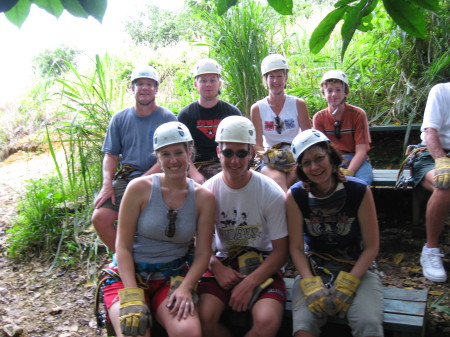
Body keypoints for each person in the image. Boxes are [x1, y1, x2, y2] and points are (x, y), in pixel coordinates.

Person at [102, 122, 216, 337]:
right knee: (134, 330)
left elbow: (203, 253)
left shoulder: (204, 198)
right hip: (129, 276)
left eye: (179, 153)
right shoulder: (139, 189)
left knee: (188, 332)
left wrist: (185, 288)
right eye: (165, 154)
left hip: (170, 277)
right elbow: (123, 247)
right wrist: (131, 292)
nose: (173, 160)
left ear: (189, 153)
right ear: (158, 157)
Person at [197, 116, 289, 337]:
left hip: (263, 264)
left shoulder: (269, 192)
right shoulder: (209, 191)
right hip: (224, 262)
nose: (235, 161)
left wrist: (250, 283)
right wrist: (216, 267)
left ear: (251, 154)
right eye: (228, 153)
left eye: (241, 153)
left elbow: (281, 251)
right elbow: (201, 246)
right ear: (219, 152)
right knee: (204, 319)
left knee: (267, 321)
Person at [286, 129, 383, 337]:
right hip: (315, 267)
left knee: (369, 324)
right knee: (303, 327)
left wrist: (351, 281)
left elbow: (372, 246)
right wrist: (309, 282)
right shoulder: (296, 196)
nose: (314, 167)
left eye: (319, 158)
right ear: (301, 168)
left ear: (330, 155)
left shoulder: (358, 191)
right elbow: (295, 247)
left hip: (358, 267)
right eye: (306, 163)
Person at [91, 65, 177, 251]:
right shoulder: (119, 118)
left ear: (156, 89)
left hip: (160, 177)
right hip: (127, 178)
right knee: (100, 218)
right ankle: (127, 259)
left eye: (149, 84)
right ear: (133, 88)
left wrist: (141, 181)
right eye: (139, 84)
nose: (144, 88)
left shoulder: (167, 118)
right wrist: (107, 184)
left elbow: (171, 157)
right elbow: (111, 155)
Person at [250, 53, 311, 192]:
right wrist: (269, 157)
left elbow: (308, 138)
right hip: (270, 156)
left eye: (279, 76)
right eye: (271, 76)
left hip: (295, 155)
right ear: (265, 79)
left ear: (286, 78)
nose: (275, 81)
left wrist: (298, 161)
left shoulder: (298, 104)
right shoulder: (258, 108)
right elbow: (257, 144)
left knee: (292, 178)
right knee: (277, 179)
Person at [178, 58, 242, 184]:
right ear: (195, 84)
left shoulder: (233, 113)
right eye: (203, 81)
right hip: (194, 166)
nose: (208, 84)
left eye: (213, 80)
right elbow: (180, 149)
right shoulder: (185, 115)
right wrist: (193, 173)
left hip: (226, 165)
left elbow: (240, 146)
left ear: (219, 83)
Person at [410, 82, 450, 282]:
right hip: (430, 155)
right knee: (445, 183)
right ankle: (431, 250)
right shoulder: (441, 91)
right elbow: (430, 132)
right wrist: (442, 160)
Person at [312, 70, 373, 185]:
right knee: (327, 185)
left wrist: (348, 172)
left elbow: (361, 151)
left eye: (338, 90)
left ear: (345, 92)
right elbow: (322, 150)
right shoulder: (319, 118)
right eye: (329, 91)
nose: (334, 94)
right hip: (331, 160)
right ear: (324, 94)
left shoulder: (358, 114)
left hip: (357, 159)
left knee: (362, 185)